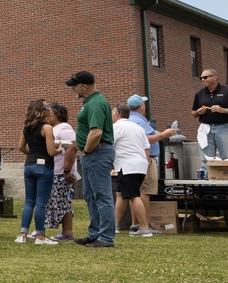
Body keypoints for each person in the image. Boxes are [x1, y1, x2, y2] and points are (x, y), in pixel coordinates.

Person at [66, 70, 116, 248]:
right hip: (94, 154)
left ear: (84, 86)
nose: (73, 90)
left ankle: (106, 237)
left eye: (75, 86)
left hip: (97, 153)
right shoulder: (90, 102)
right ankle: (95, 234)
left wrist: (86, 151)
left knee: (101, 195)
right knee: (91, 195)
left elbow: (96, 132)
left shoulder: (95, 104)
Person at [124, 94, 178, 231]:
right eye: (143, 104)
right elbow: (147, 139)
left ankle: (135, 225)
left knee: (134, 193)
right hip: (146, 159)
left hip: (131, 159)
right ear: (141, 106)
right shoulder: (140, 121)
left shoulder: (128, 120)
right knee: (145, 192)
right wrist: (165, 134)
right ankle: (145, 225)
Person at [15, 99, 62, 245]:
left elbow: (21, 147)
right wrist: (59, 149)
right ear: (41, 111)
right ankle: (40, 236)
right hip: (44, 167)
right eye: (47, 107)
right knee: (41, 203)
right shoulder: (47, 127)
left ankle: (23, 234)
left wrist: (32, 154)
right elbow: (51, 151)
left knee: (29, 201)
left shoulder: (26, 127)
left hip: (29, 166)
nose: (49, 109)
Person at [111, 102, 155, 237]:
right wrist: (146, 167)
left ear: (117, 114)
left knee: (133, 196)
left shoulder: (116, 127)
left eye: (112, 114)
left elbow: (109, 144)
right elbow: (147, 148)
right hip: (140, 165)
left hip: (127, 166)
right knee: (120, 194)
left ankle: (144, 228)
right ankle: (115, 226)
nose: (112, 117)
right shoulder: (138, 128)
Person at [44, 103, 78, 241]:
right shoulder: (54, 128)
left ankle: (67, 232)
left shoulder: (64, 128)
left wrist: (67, 170)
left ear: (57, 115)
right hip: (56, 170)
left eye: (50, 114)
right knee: (62, 201)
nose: (47, 116)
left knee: (63, 200)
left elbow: (73, 147)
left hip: (61, 172)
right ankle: (66, 232)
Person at [191, 68, 228, 168]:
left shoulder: (226, 91)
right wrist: (198, 112)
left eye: (205, 77)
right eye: (201, 78)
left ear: (215, 77)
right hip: (206, 129)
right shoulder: (199, 94)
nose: (203, 79)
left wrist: (223, 110)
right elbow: (193, 113)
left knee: (226, 157)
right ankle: (207, 183)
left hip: (224, 128)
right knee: (206, 159)